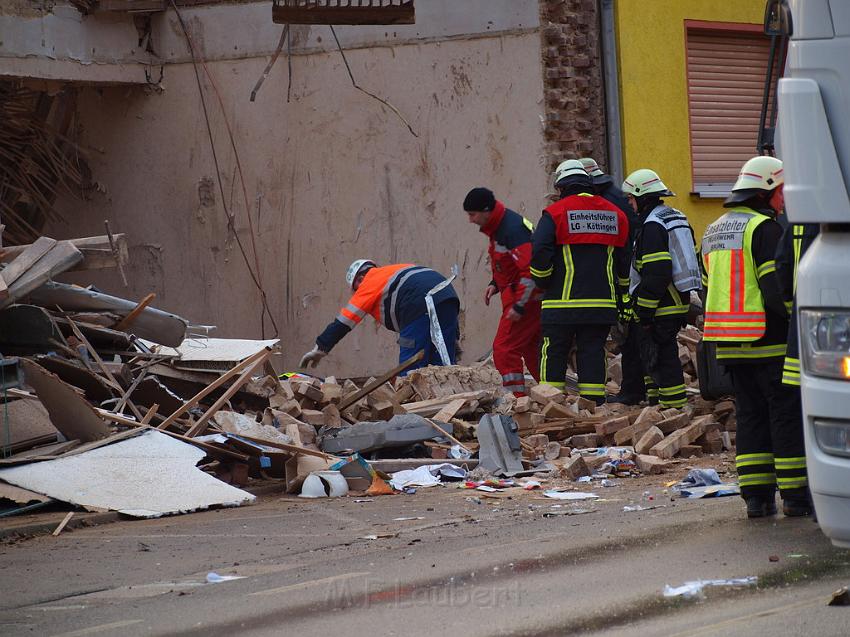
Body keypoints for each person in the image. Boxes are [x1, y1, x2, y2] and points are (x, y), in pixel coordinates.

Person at [701, 155, 811, 518]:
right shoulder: (764, 229)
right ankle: (796, 496)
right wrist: (801, 317)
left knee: (749, 417)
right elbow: (775, 287)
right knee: (785, 414)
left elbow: (708, 288)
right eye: (781, 191)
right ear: (767, 191)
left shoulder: (714, 229)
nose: (784, 199)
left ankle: (756, 497)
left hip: (729, 344)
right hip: (769, 341)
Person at [529, 159, 630, 405]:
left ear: (561, 187)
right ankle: (594, 406)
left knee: (554, 351)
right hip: (601, 304)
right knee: (593, 352)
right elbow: (624, 259)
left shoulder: (555, 214)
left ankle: (549, 404)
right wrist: (621, 291)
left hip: (561, 303)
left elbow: (540, 251)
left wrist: (543, 281)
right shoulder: (615, 215)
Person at [617, 169, 701, 409]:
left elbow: (657, 272)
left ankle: (672, 408)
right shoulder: (673, 216)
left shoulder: (653, 225)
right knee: (652, 354)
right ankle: (657, 405)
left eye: (632, 199)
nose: (630, 205)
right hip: (675, 298)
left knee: (663, 356)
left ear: (642, 197)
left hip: (662, 302)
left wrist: (644, 311)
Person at [299, 260, 460, 373]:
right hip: (447, 295)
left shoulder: (370, 281)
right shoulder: (394, 270)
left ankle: (413, 415)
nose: (356, 294)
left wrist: (321, 347)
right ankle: (448, 408)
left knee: (411, 370)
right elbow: (430, 289)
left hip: (418, 304)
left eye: (355, 289)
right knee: (444, 366)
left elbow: (345, 320)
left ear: (360, 279)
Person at [463, 187, 541, 396]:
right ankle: (550, 391)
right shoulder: (501, 226)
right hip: (522, 296)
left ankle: (517, 401)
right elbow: (506, 264)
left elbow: (529, 271)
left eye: (473, 214)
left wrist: (519, 306)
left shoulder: (511, 229)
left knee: (504, 349)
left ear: (486, 210)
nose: (470, 220)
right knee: (530, 348)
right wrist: (495, 284)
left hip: (526, 299)